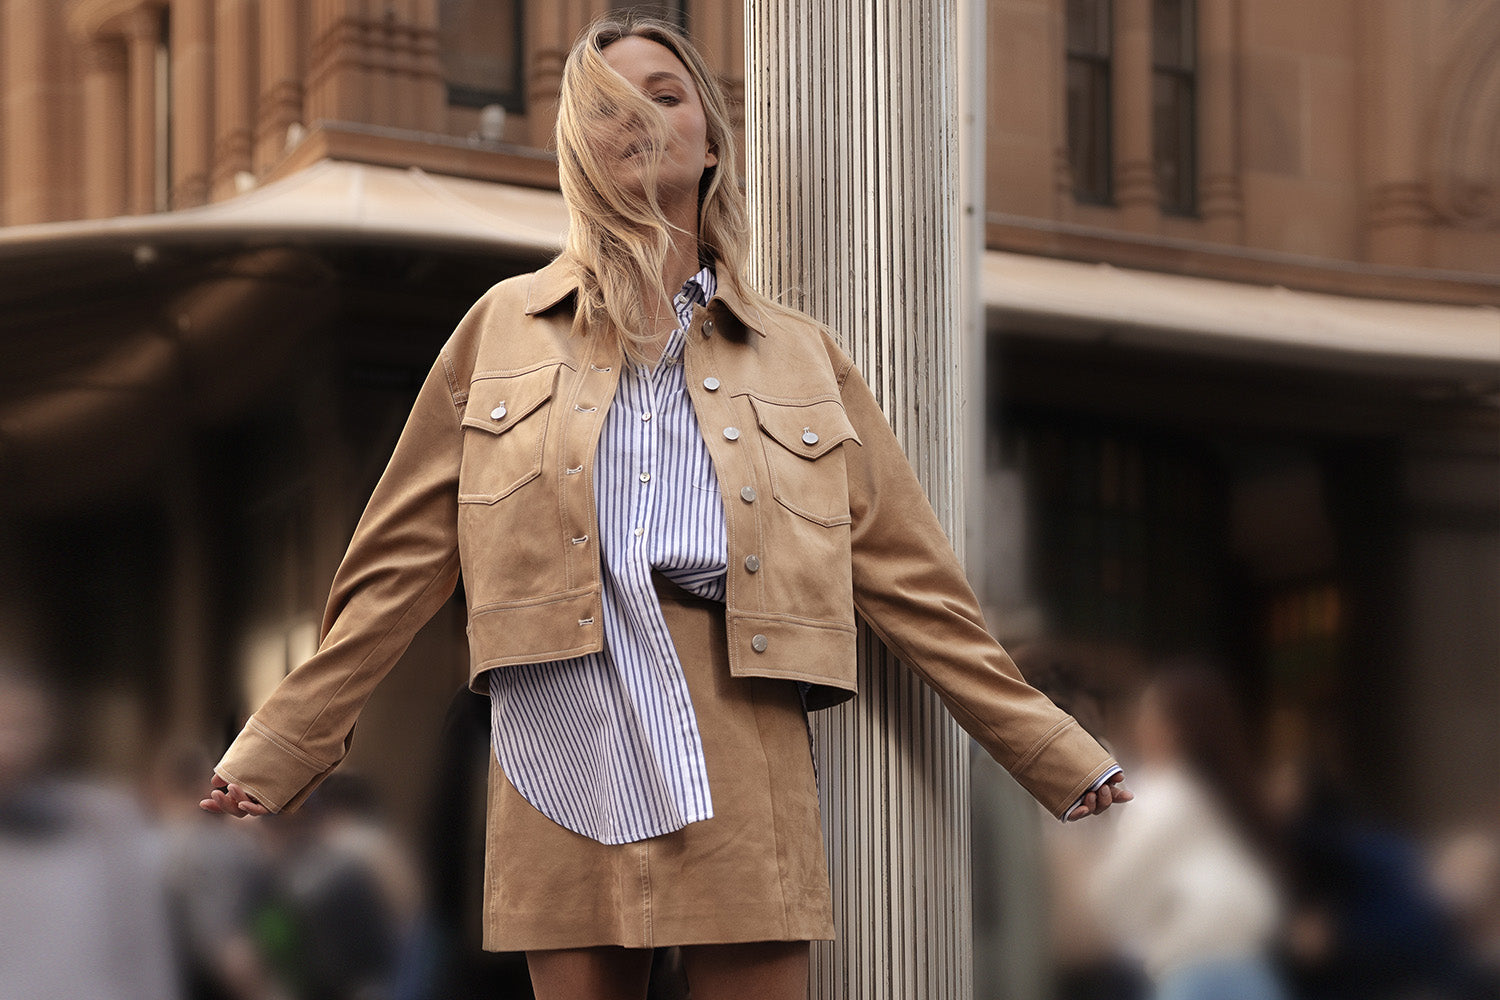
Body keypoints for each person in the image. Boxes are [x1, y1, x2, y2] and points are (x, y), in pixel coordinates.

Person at [201, 15, 1130, 999]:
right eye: (607, 104)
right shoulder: (500, 332)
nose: (638, 116)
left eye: (666, 93)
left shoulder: (800, 356)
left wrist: (1050, 747)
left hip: (741, 726)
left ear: (711, 141)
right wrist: (282, 743)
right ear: (577, 145)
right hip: (561, 730)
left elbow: (912, 579)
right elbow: (394, 567)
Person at [1090, 664, 1286, 1000]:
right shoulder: (1222, 795)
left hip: (1195, 974)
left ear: (1174, 729)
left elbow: (1114, 892)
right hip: (1253, 971)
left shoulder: (1165, 796)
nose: (1139, 727)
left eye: (1148, 716)